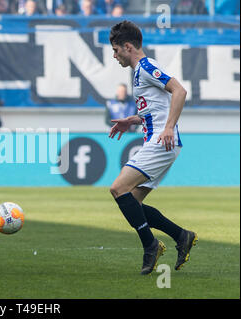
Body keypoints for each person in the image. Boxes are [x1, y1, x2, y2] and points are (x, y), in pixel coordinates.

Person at [108, 21, 197, 275]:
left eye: (116, 50)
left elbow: (179, 90)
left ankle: (150, 245)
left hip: (162, 141)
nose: (114, 56)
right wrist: (133, 120)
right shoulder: (137, 72)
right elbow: (155, 109)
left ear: (128, 46)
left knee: (117, 188)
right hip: (158, 140)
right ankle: (181, 236)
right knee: (132, 202)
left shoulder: (147, 67)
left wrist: (169, 127)